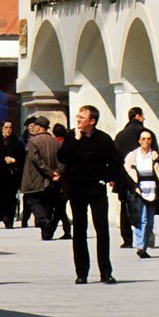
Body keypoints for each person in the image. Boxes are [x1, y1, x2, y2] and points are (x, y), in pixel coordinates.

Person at [56, 106, 119, 284]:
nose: (78, 120)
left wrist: (105, 179)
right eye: (78, 117)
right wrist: (75, 140)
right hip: (76, 189)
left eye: (82, 118)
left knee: (102, 229)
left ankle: (105, 271)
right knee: (79, 230)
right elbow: (62, 157)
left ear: (92, 121)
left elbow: (115, 162)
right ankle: (82, 272)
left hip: (96, 190)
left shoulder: (104, 140)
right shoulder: (71, 137)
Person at [121, 128, 159, 257]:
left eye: (148, 139)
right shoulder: (132, 156)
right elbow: (126, 175)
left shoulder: (156, 156)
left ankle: (144, 245)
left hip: (153, 192)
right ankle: (140, 246)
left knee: (149, 221)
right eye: (143, 139)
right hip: (138, 192)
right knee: (141, 219)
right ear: (139, 141)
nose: (146, 141)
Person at [19, 116, 61, 239]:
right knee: (48, 205)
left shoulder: (34, 142)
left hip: (36, 179)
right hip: (52, 181)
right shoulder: (56, 142)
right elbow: (62, 160)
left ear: (39, 127)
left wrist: (50, 173)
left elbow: (37, 160)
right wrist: (56, 172)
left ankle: (43, 221)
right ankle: (46, 233)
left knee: (33, 201)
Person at [111, 107, 146, 249]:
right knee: (144, 205)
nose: (144, 119)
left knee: (125, 206)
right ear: (138, 116)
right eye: (143, 116)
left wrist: (113, 177)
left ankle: (127, 239)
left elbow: (114, 157)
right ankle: (143, 236)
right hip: (143, 175)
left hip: (123, 176)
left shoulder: (121, 135)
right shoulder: (145, 134)